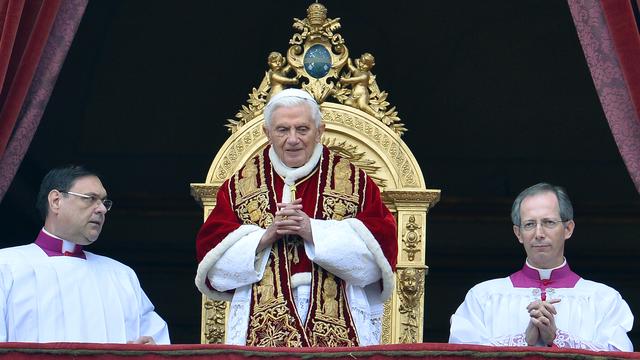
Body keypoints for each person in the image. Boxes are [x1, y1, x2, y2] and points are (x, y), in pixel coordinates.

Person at [195, 88, 397, 347]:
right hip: (259, 322)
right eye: (282, 130)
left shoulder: (356, 182)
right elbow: (213, 266)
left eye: (302, 129)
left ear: (319, 130)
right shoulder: (238, 187)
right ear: (267, 133)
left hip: (341, 315)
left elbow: (380, 256)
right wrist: (264, 237)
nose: (293, 139)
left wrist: (313, 231)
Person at [449, 183, 633, 351]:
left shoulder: (604, 300)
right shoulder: (483, 297)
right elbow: (462, 353)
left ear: (568, 229)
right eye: (529, 224)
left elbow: (619, 354)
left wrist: (557, 337)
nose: (539, 233)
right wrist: (523, 341)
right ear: (518, 233)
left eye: (549, 223)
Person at [0, 165, 170, 344]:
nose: (102, 209)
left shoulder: (121, 276)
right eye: (91, 199)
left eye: (104, 202)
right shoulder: (6, 266)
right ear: (56, 201)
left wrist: (149, 349)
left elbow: (156, 342)